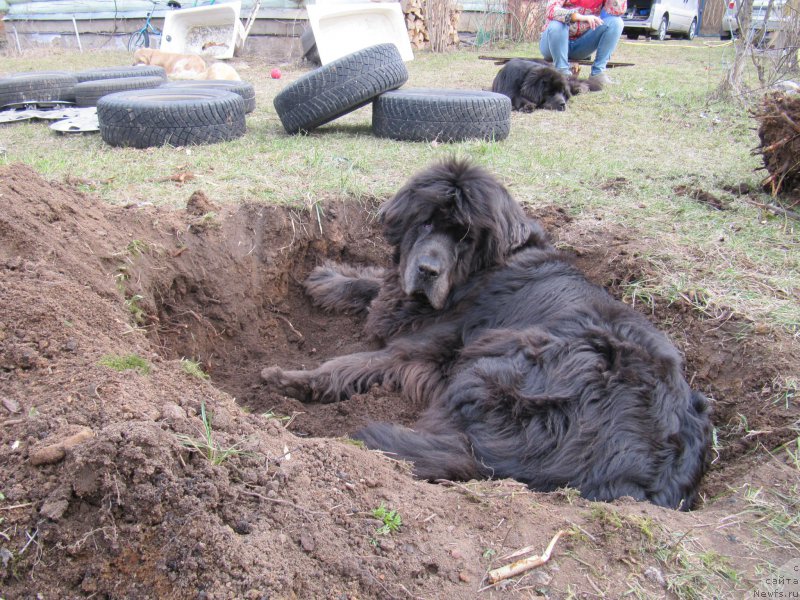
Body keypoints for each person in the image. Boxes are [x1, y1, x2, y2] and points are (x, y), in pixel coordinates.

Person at [539, 0, 626, 85]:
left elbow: (617, 12)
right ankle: (562, 72)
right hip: (552, 44)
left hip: (580, 45)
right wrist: (580, 17)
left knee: (616, 23)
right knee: (557, 24)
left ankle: (598, 73)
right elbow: (551, 10)